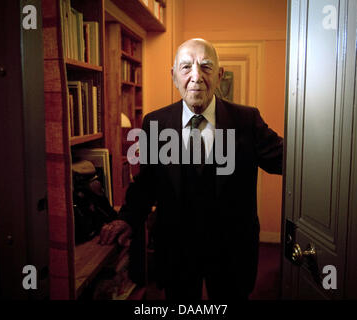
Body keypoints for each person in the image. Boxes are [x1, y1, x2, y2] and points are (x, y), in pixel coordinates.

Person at [99, 38, 283, 300]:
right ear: (174, 76)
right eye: (186, 67)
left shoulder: (246, 120)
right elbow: (147, 183)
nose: (196, 76)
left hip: (231, 251)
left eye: (206, 67)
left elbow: (287, 159)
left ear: (219, 75)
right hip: (177, 251)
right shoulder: (156, 122)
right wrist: (127, 218)